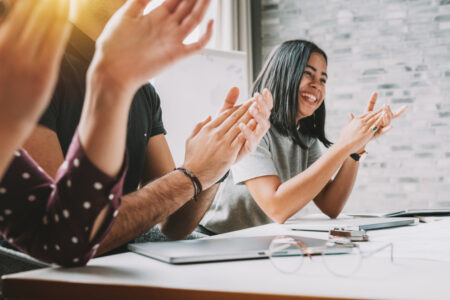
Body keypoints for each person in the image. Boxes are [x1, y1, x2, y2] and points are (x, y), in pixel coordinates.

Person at [21, 0, 273, 254]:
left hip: (117, 269)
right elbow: (63, 234)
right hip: (42, 273)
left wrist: (216, 165)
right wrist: (191, 175)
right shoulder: (29, 64)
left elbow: (173, 224)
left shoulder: (143, 91)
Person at [198, 40, 408, 234]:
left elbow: (331, 205)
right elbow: (277, 208)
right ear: (284, 74)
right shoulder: (252, 124)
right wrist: (344, 144)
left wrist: (356, 147)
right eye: (309, 74)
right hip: (214, 238)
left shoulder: (304, 137)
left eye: (323, 79)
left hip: (257, 241)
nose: (317, 85)